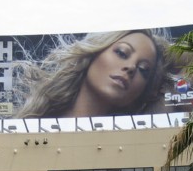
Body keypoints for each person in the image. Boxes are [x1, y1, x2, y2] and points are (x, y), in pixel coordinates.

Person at [13, 29, 174, 118]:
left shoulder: (129, 146)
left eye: (143, 70)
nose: (131, 67)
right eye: (122, 53)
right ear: (93, 53)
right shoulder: (33, 123)